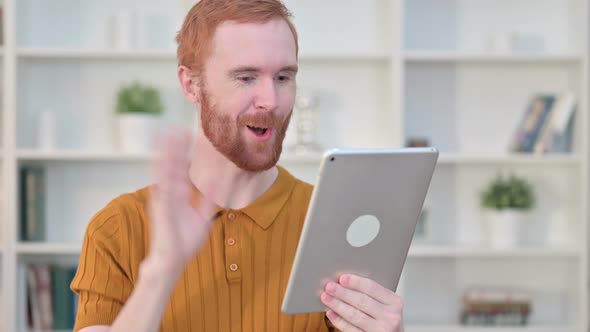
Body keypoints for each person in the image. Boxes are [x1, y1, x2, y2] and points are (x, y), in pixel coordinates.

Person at [71, 0, 404, 331]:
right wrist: (162, 269)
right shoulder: (117, 227)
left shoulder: (332, 222)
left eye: (283, 77)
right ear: (191, 85)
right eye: (246, 78)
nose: (271, 100)